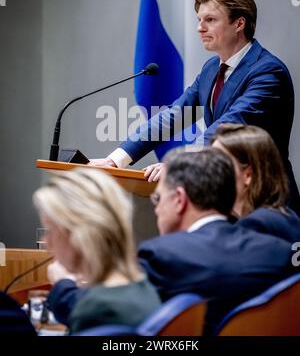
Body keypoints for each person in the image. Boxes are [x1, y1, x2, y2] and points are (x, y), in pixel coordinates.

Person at [89, 0, 299, 212]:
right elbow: (174, 116)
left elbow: (228, 127)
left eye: (210, 20)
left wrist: (179, 164)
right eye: (199, 20)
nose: (200, 28)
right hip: (228, 202)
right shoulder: (212, 68)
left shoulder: (268, 72)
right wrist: (116, 159)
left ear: (239, 23)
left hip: (267, 204)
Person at [47, 149, 296, 335]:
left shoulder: (161, 255)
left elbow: (101, 315)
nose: (156, 211)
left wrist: (63, 284)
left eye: (157, 199)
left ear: (179, 199)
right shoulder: (281, 252)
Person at [32, 169, 161, 334]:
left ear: (80, 234)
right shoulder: (143, 287)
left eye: (50, 230)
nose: (45, 242)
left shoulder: (95, 309)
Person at [211, 123, 300, 240]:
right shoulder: (282, 216)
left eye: (218, 164)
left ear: (248, 175)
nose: (209, 171)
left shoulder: (257, 227)